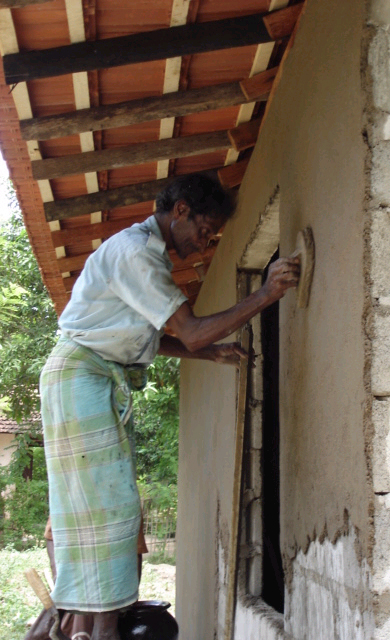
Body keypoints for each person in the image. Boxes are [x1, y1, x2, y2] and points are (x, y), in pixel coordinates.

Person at [39, 173, 299, 640]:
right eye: (204, 230)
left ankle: (93, 626)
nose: (204, 244)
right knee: (107, 508)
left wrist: (208, 353)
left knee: (110, 508)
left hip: (91, 375)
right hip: (82, 377)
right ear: (180, 210)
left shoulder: (141, 251)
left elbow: (142, 335)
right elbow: (192, 329)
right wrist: (266, 294)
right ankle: (91, 627)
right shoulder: (137, 253)